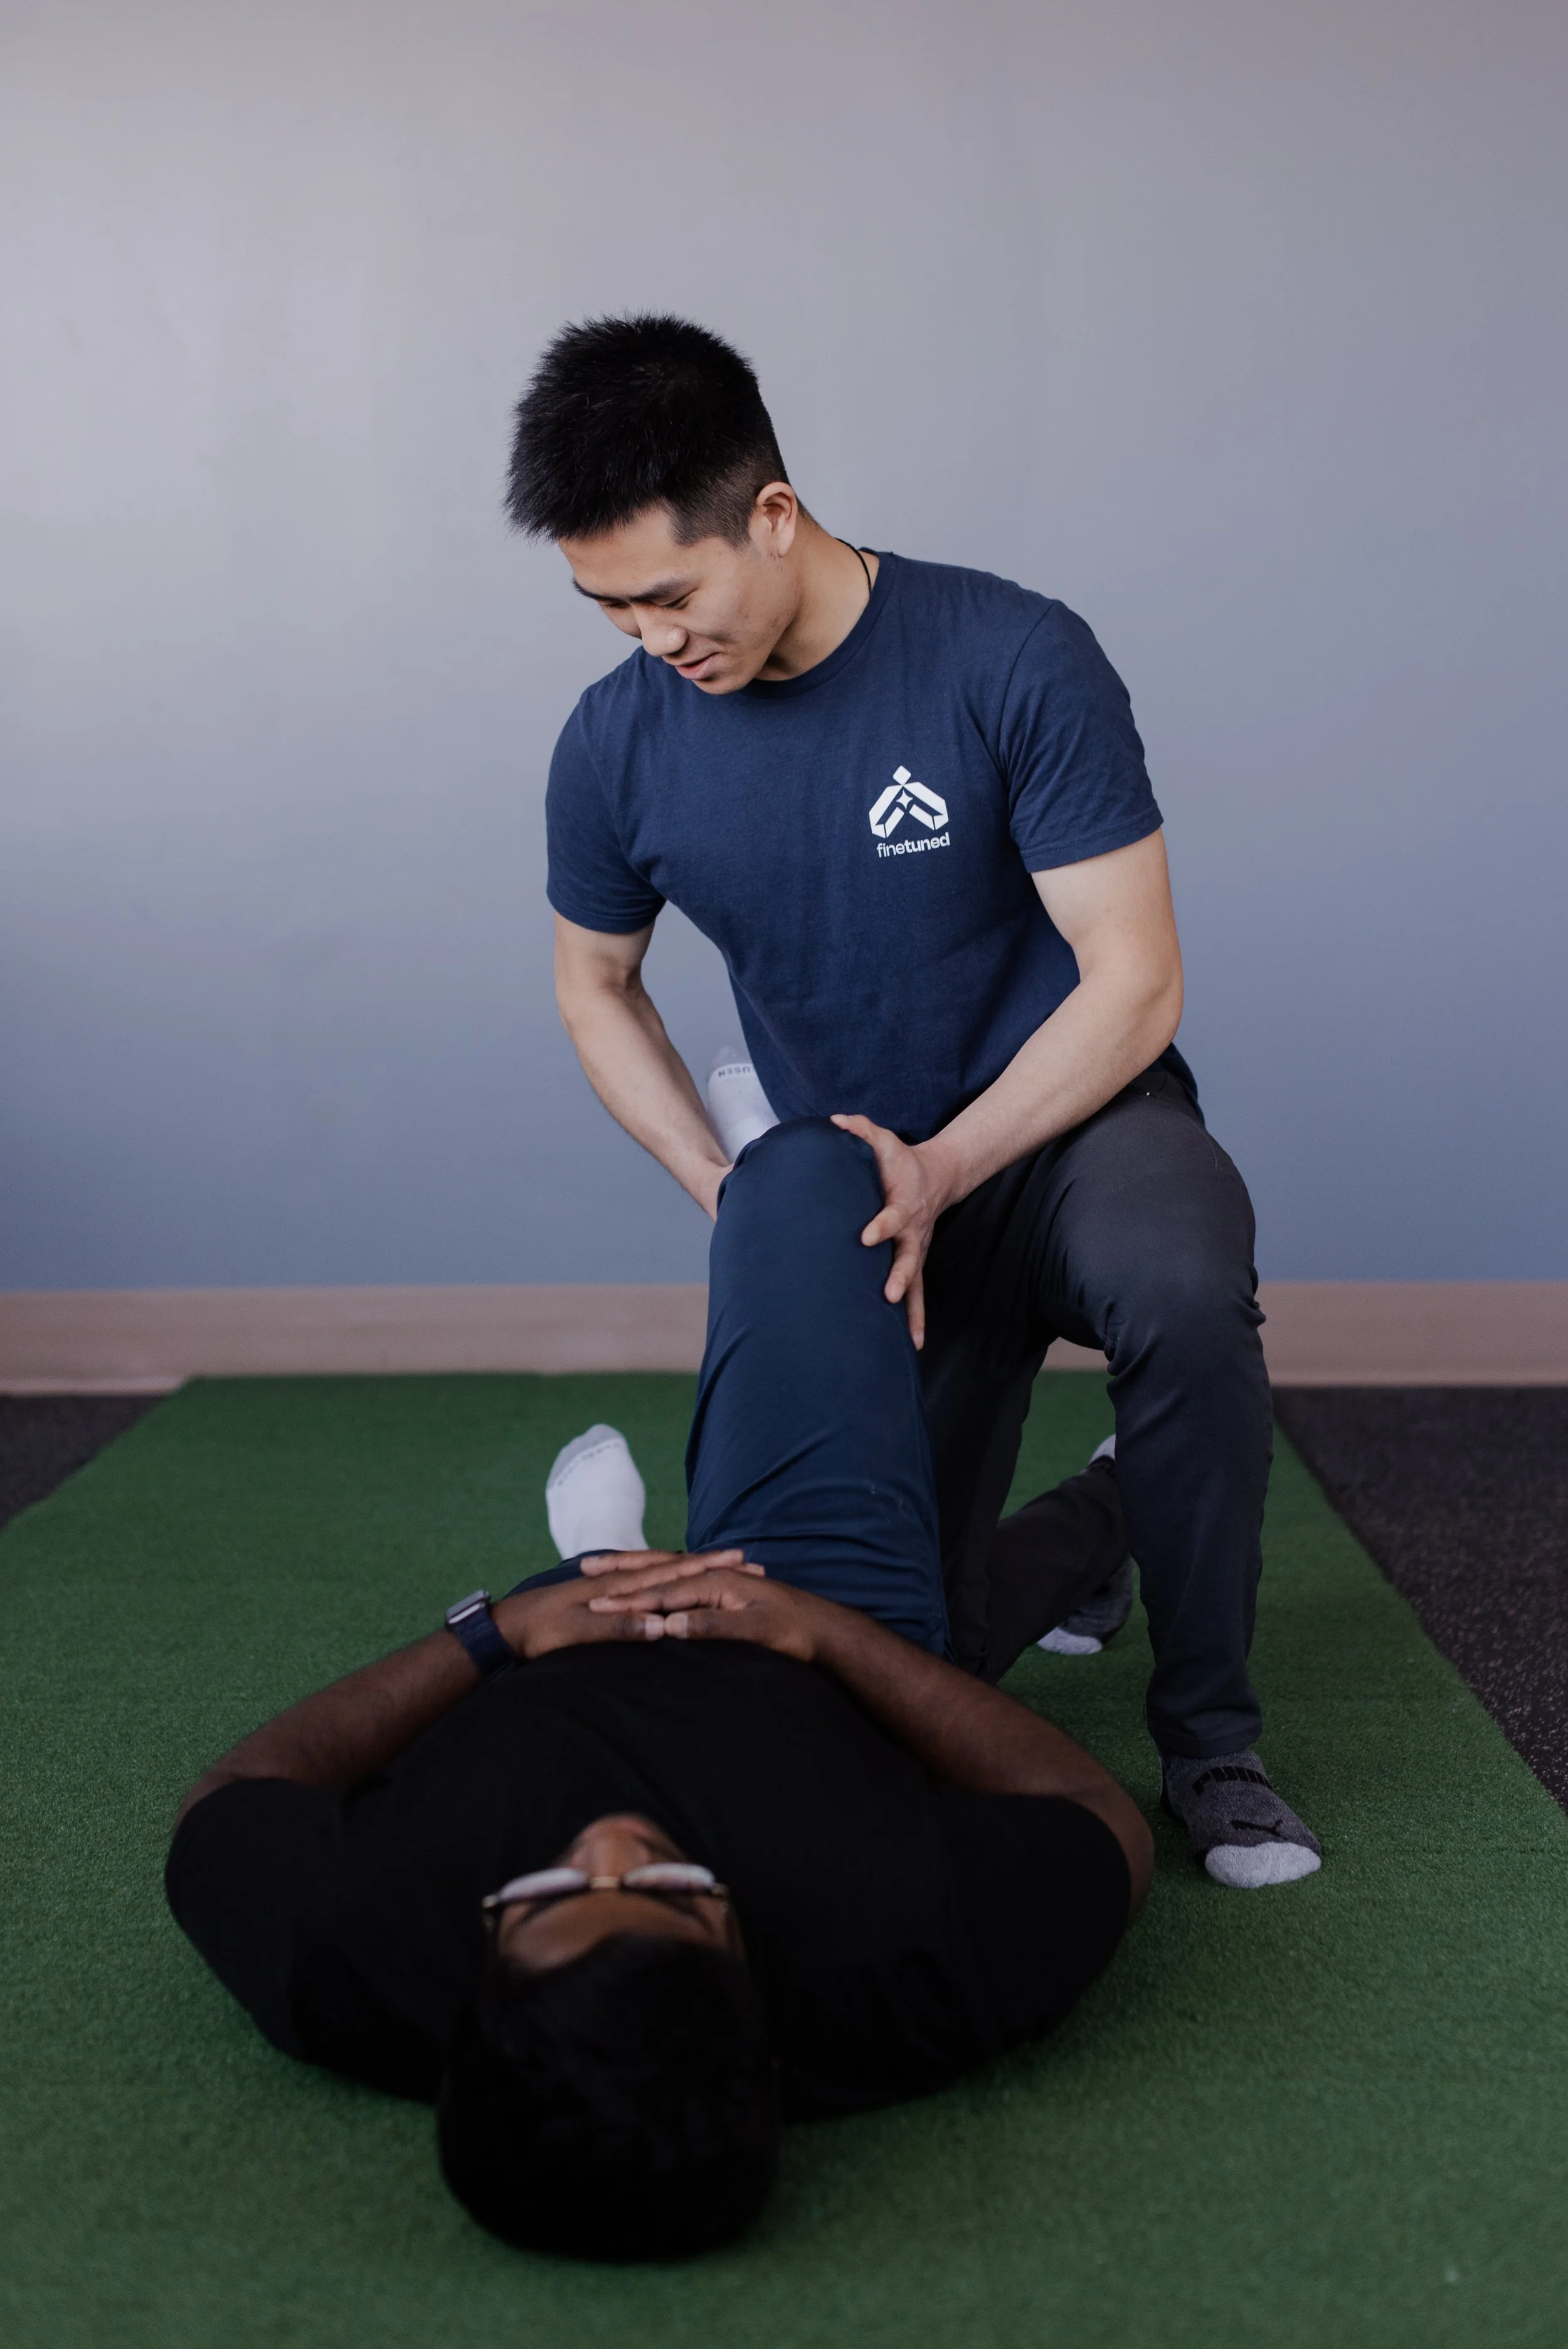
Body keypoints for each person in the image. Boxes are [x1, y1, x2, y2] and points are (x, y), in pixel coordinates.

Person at [510, 312, 1321, 1889]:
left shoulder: (1008, 655)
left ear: (771, 514)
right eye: (605, 607)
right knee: (881, 1657)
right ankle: (1108, 1520)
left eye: (668, 596)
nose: (647, 638)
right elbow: (592, 986)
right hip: (864, 1195)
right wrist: (738, 1197)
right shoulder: (614, 744)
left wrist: (951, 1163)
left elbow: (1133, 981)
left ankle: (1210, 1747)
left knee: (1180, 1278)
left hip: (1074, 1133)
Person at [166, 1119, 1152, 2262]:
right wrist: (826, 1635)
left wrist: (497, 1632)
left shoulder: (344, 1955)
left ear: (475, 1992)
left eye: (550, 1894)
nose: (614, 1843)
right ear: (756, 2004)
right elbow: (1100, 1820)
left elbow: (231, 1796)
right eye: (674, 1892)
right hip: (815, 1612)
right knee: (808, 1173)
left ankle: (604, 1555)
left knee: (791, 1208)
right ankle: (1123, 1497)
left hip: (556, 1635)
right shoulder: (903, 1962)